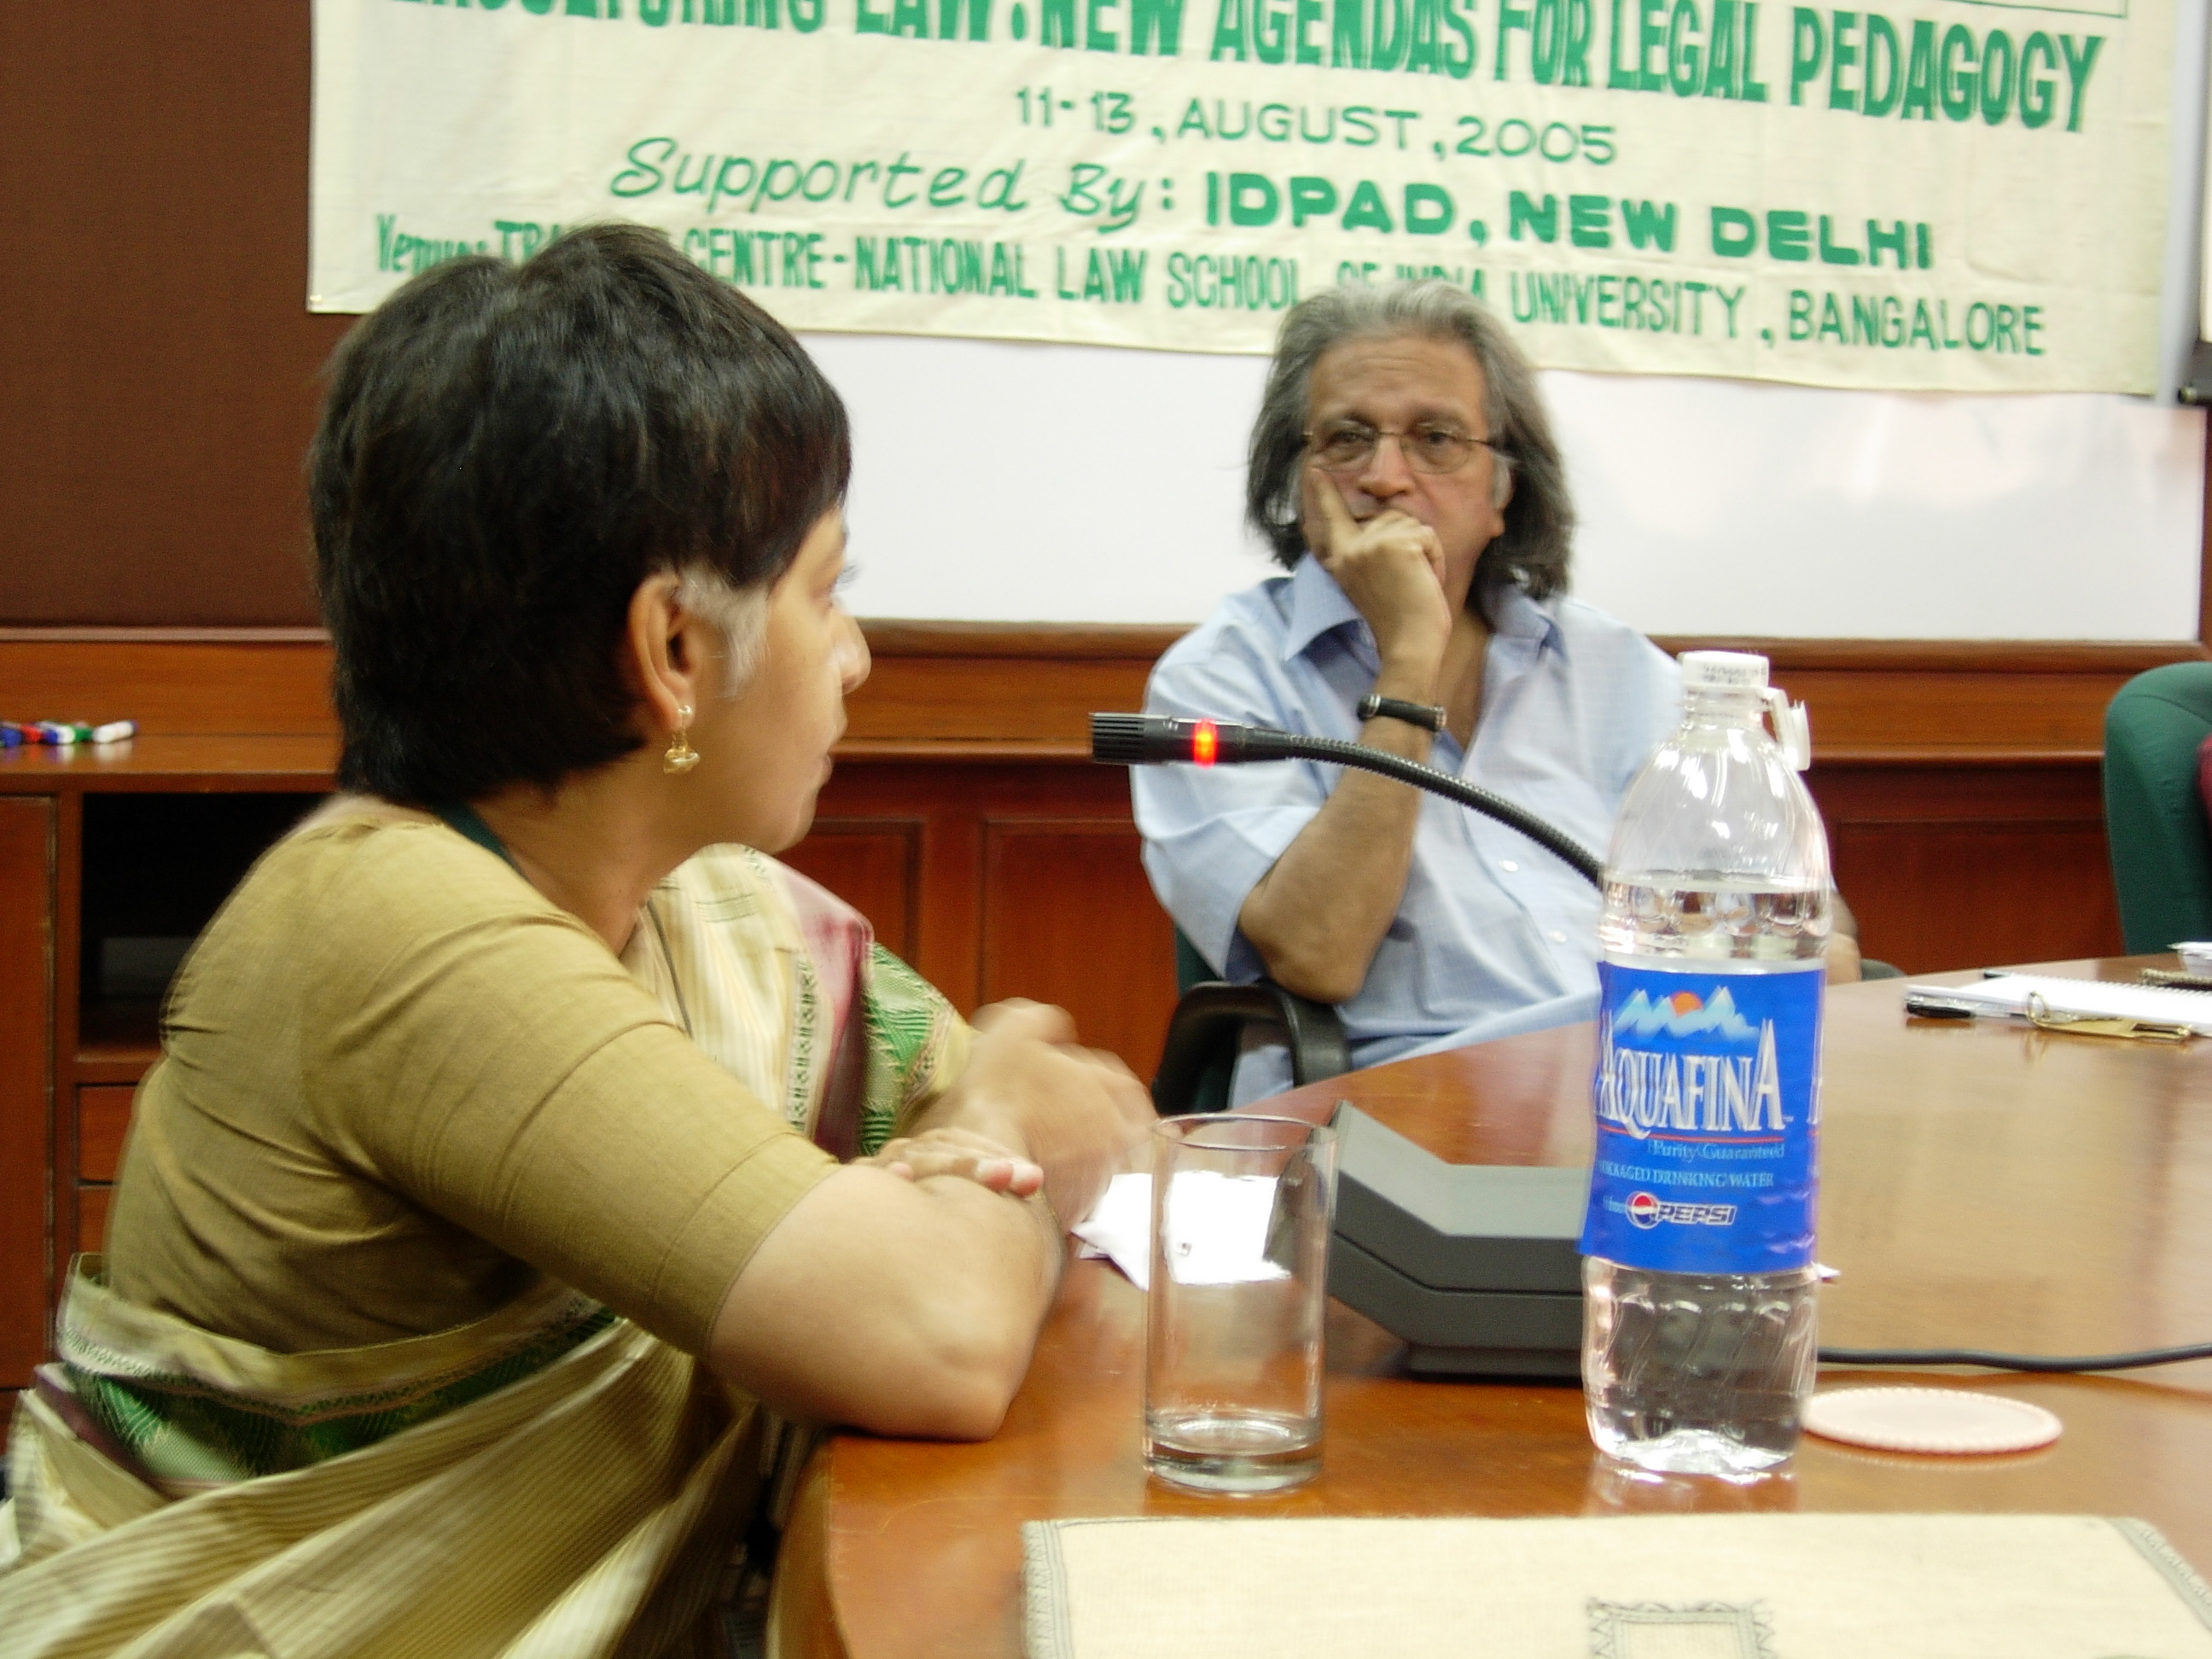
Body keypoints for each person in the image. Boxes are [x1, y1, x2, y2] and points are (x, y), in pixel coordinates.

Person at [0, 224, 1151, 1656]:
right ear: (675, 649)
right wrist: (985, 1123)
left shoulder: (710, 908)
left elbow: (1063, 1138)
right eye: (824, 589)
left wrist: (970, 1152)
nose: (853, 653)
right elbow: (938, 1326)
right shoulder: (394, 931)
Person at [1136, 281, 1860, 1103]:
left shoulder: (1618, 671)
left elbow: (1807, 919)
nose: (1384, 477)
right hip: (1404, 1112)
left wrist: (1810, 962)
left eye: (1435, 439)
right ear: (1298, 481)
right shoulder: (1218, 680)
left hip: (1667, 1087)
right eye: (1346, 439)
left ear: (1503, 488)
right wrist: (1409, 657)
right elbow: (1319, 952)